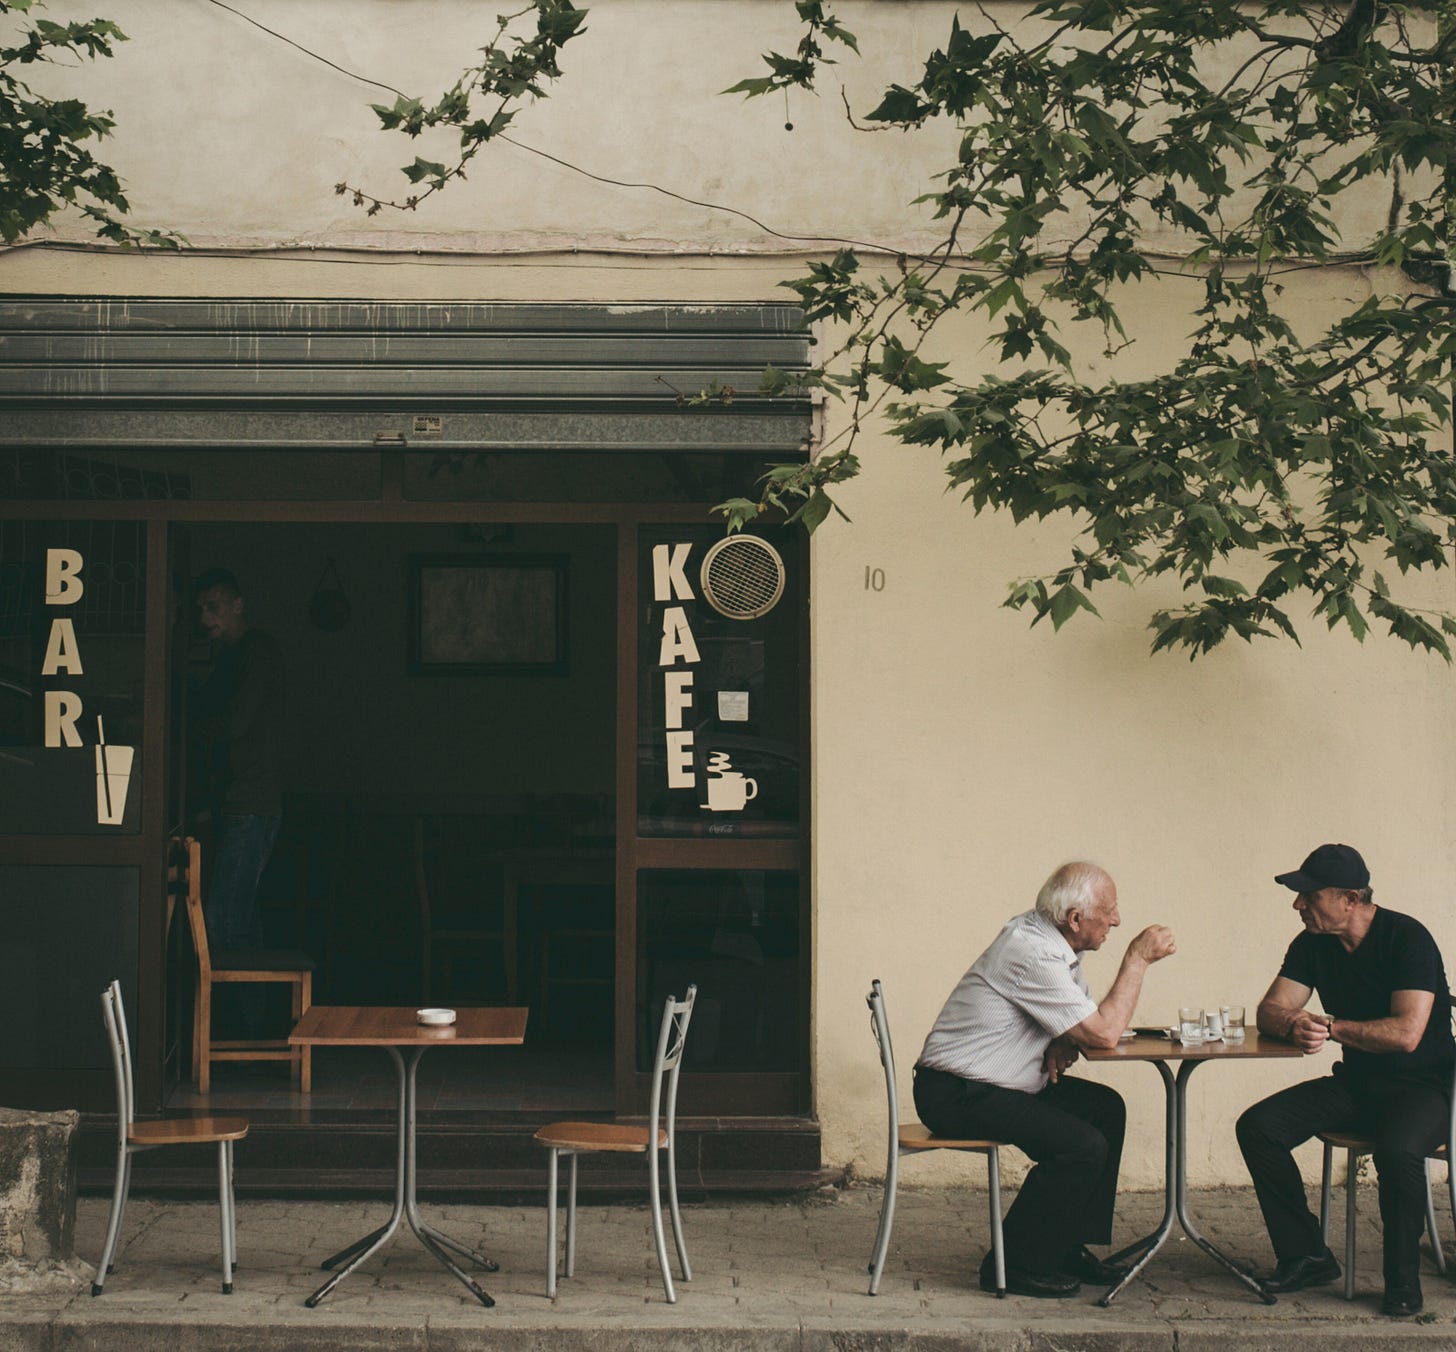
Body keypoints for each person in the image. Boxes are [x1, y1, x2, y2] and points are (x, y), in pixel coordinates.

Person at [913, 861, 1177, 1298]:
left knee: (1105, 1109)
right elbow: (1104, 1032)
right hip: (956, 1093)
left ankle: (1063, 1244)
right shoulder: (1032, 950)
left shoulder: (1053, 945)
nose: (1116, 920)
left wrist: (1062, 1035)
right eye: (1108, 911)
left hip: (995, 1084)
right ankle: (1015, 1263)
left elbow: (1082, 1022)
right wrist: (1137, 959)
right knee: (1081, 1145)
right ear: (1075, 919)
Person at [1236, 843, 1454, 1317]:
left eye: (1308, 896)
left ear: (1351, 899)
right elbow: (1270, 1009)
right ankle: (1307, 1256)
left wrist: (1331, 1027)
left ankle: (1402, 1282)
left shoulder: (1407, 938)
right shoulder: (1312, 943)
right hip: (1358, 1084)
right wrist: (1291, 1023)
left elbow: (1407, 1033)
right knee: (1258, 1126)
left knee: (1397, 1152)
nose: (1298, 905)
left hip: (1425, 1087)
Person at [192, 567, 285, 961]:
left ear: (237, 605)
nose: (204, 619)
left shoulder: (256, 651)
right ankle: (252, 1021)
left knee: (225, 922)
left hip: (249, 803)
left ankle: (235, 1021)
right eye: (200, 610)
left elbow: (234, 723)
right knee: (239, 920)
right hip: (235, 803)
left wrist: (179, 727)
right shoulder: (231, 658)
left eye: (212, 608)